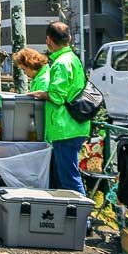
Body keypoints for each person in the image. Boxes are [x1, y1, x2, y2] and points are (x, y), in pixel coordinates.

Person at [28, 22, 90, 194]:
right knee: (65, 177)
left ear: (48, 40)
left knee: (69, 178)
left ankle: (81, 219)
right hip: (74, 125)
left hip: (65, 128)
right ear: (69, 38)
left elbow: (57, 96)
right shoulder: (73, 59)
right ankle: (73, 218)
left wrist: (43, 94)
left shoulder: (61, 63)